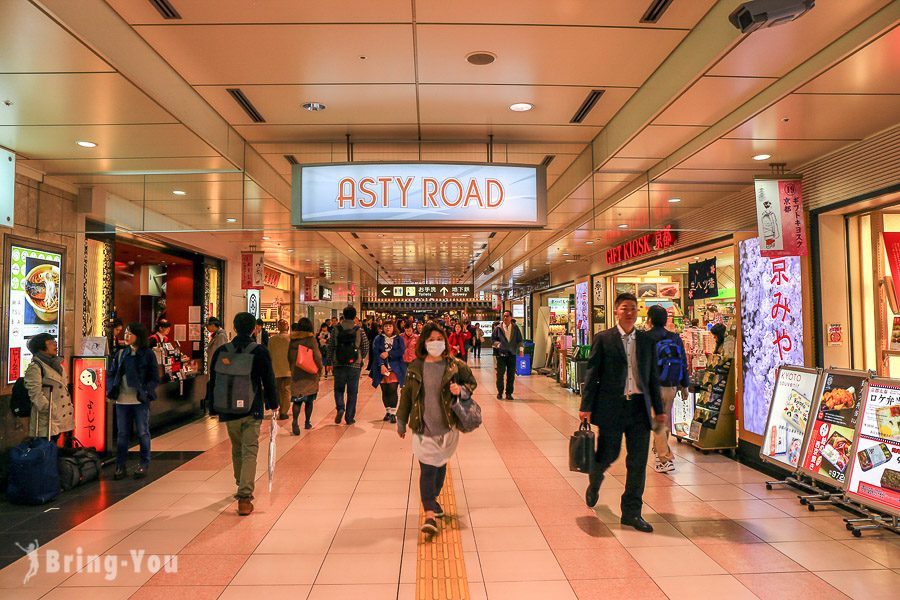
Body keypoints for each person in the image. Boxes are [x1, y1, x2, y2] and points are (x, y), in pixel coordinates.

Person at [579, 293, 665, 533]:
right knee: (609, 453)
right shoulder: (603, 339)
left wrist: (659, 410)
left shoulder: (647, 342)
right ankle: (595, 479)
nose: (629, 312)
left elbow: (652, 378)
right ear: (616, 311)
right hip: (611, 408)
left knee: (637, 463)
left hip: (638, 408)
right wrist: (585, 406)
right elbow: (592, 374)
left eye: (633, 308)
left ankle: (631, 513)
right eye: (625, 308)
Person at [397, 323, 478, 534]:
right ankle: (429, 515)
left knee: (440, 466)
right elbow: (406, 395)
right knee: (427, 469)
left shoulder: (455, 365)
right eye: (431, 340)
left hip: (447, 426)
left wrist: (460, 389)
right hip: (423, 426)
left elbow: (471, 383)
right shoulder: (415, 366)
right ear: (424, 342)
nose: (435, 343)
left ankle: (433, 500)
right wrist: (400, 420)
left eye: (439, 339)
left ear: (445, 341)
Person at [207, 312, 278, 516]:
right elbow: (268, 379)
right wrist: (274, 404)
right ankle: (244, 496)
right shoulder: (259, 351)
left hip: (229, 410)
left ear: (235, 328)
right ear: (254, 328)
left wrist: (213, 407)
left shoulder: (223, 350)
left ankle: (240, 481)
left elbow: (213, 380)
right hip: (251, 408)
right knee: (250, 450)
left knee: (237, 447)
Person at [107, 323, 159, 479]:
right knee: (122, 434)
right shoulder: (121, 354)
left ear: (138, 335)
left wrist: (146, 391)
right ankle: (120, 465)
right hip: (122, 400)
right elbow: (112, 374)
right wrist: (110, 390)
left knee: (143, 432)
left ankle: (144, 463)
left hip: (139, 400)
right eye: (126, 333)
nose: (126, 336)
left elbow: (154, 378)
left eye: (130, 333)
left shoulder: (148, 354)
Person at [646, 305, 690, 474]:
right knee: (664, 419)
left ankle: (664, 459)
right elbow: (683, 362)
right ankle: (659, 451)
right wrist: (685, 385)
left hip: (653, 387)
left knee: (658, 423)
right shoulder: (674, 337)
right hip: (671, 385)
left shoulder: (646, 337)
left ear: (650, 319)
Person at [24, 333, 74, 445]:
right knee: (45, 448)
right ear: (41, 347)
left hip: (59, 416)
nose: (55, 344)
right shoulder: (35, 367)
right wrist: (50, 408)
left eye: (54, 341)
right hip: (46, 418)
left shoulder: (57, 365)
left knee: (53, 447)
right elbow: (35, 394)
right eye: (51, 342)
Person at [327, 305, 370, 425]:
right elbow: (366, 346)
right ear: (355, 316)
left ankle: (340, 407)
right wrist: (360, 358)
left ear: (344, 316)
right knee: (352, 392)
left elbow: (330, 346)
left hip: (339, 364)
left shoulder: (336, 329)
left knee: (338, 389)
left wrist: (329, 361)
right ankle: (349, 417)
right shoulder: (359, 330)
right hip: (354, 365)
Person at [288, 318, 323, 434]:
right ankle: (307, 422)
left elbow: (289, 356)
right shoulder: (311, 339)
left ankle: (295, 421)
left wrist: (292, 368)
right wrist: (320, 368)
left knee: (297, 400)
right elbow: (317, 356)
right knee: (309, 400)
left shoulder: (293, 340)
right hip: (309, 373)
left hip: (296, 373)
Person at [371, 320, 405, 423]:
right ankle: (388, 411)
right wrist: (381, 365)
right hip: (381, 369)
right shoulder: (378, 338)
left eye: (390, 326)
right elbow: (376, 352)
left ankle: (394, 413)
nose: (388, 328)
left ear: (394, 327)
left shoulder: (399, 338)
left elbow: (401, 350)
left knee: (392, 390)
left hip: (395, 368)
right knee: (385, 391)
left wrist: (388, 353)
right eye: (386, 326)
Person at [491, 310, 524, 400]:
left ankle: (509, 393)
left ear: (511, 317)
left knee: (511, 375)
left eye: (507, 316)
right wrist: (499, 345)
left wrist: (521, 350)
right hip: (501, 355)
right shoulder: (498, 328)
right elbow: (493, 341)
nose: (505, 318)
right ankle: (500, 392)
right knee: (500, 375)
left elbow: (520, 340)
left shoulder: (515, 328)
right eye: (504, 316)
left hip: (512, 354)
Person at [268, 319, 292, 420]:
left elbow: (268, 354)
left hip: (276, 368)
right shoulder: (291, 338)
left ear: (278, 327)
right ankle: (283, 412)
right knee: (287, 390)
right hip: (289, 368)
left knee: (278, 390)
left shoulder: (272, 339)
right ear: (288, 327)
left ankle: (279, 408)